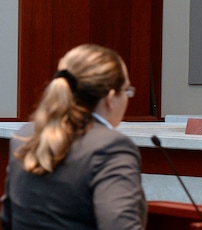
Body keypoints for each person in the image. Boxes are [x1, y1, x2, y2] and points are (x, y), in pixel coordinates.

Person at [1, 44, 147, 229]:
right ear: (111, 98)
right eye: (127, 90)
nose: (127, 98)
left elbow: (8, 219)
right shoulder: (111, 147)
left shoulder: (24, 136)